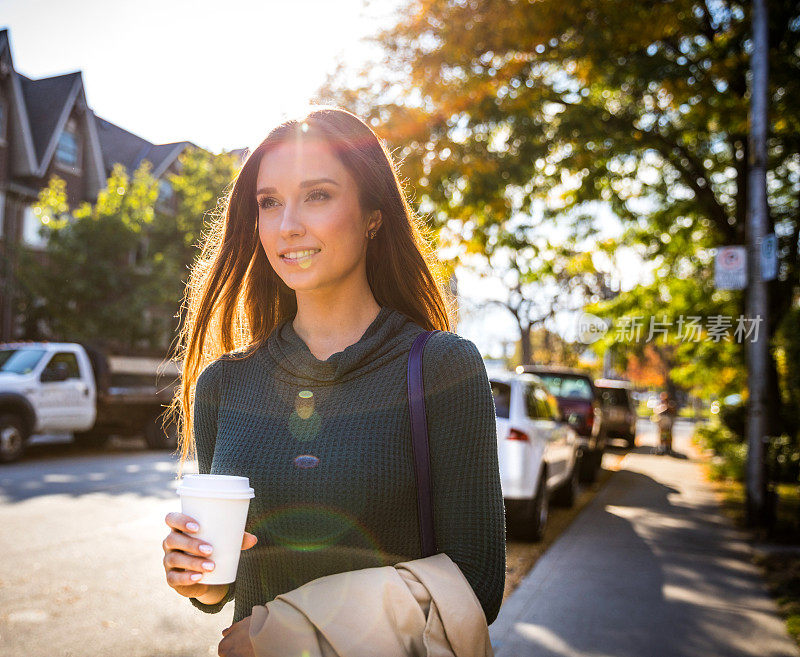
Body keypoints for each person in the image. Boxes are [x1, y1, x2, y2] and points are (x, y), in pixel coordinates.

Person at [160, 106, 506, 655]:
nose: (287, 224)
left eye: (317, 194)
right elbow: (224, 587)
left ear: (373, 214)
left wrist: (289, 630)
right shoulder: (223, 384)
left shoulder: (442, 367)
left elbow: (477, 586)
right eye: (269, 202)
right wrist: (202, 578)